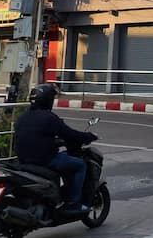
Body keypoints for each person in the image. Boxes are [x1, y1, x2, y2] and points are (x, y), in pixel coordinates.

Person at [14, 82, 97, 213]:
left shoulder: (22, 117)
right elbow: (70, 134)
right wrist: (89, 136)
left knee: (64, 158)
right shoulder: (50, 118)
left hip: (23, 159)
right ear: (48, 100)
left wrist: (55, 142)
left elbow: (34, 137)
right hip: (45, 160)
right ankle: (73, 203)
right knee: (80, 165)